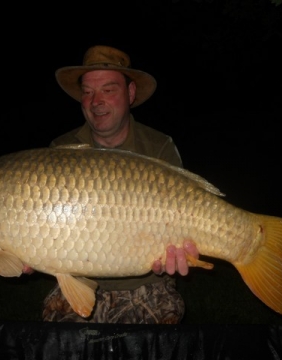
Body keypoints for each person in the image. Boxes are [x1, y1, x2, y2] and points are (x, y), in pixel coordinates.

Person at [42, 45, 199, 324]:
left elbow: (186, 221)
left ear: (130, 93)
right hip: (78, 281)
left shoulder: (158, 147)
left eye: (108, 90)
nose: (96, 101)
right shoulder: (62, 150)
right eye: (88, 92)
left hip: (147, 285)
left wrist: (181, 254)